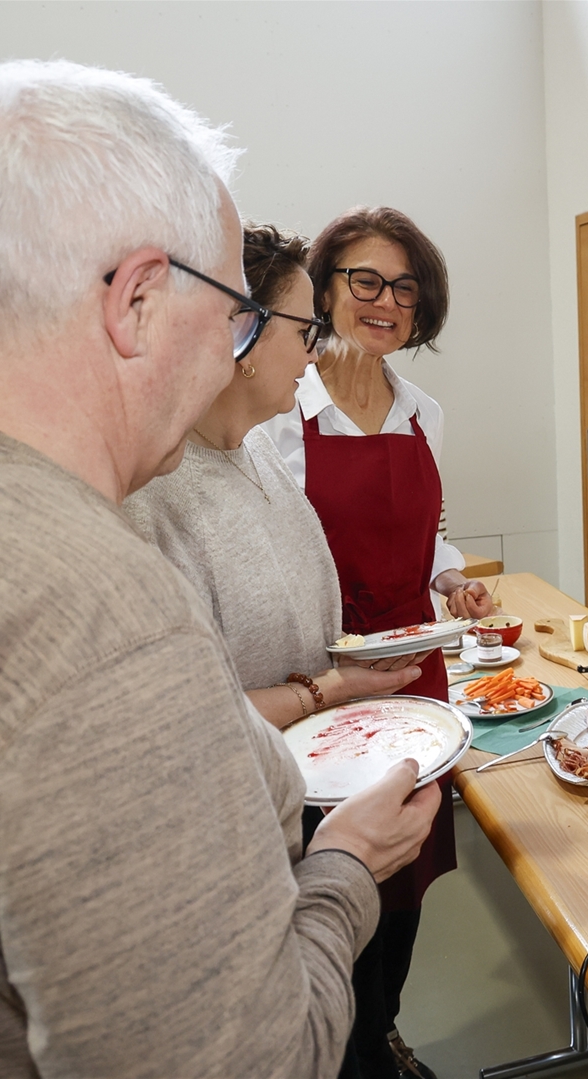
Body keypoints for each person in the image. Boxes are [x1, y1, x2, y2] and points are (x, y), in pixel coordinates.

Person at [0, 60, 436, 1079]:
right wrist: (341, 867)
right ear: (138, 299)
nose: (236, 348)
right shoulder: (103, 621)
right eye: (231, 311)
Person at [260, 207, 485, 1079]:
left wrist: (449, 578)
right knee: (331, 874)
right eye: (365, 279)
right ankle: (339, 1052)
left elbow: (424, 535)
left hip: (417, 674)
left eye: (404, 287)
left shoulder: (424, 411)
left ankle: (381, 1030)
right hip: (324, 683)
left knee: (406, 878)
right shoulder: (282, 409)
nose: (385, 301)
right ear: (323, 289)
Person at [125, 223, 428, 730]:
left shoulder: (258, 450)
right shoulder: (150, 494)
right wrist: (327, 689)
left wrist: (352, 668)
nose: (314, 353)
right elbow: (177, 717)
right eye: (304, 331)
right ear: (242, 330)